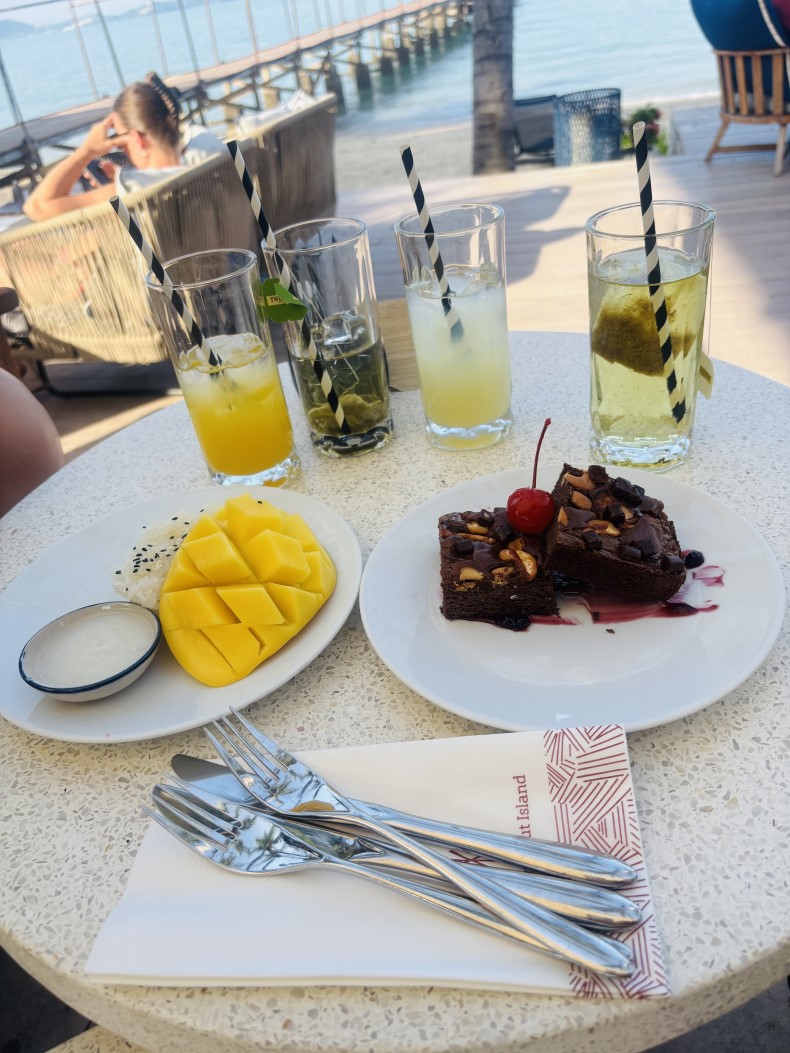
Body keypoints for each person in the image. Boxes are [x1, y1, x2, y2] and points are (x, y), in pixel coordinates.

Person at [23, 73, 225, 222]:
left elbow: (36, 206)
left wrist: (87, 150)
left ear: (136, 139)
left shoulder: (128, 192)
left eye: (120, 140)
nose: (123, 149)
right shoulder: (209, 159)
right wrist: (125, 176)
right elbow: (168, 171)